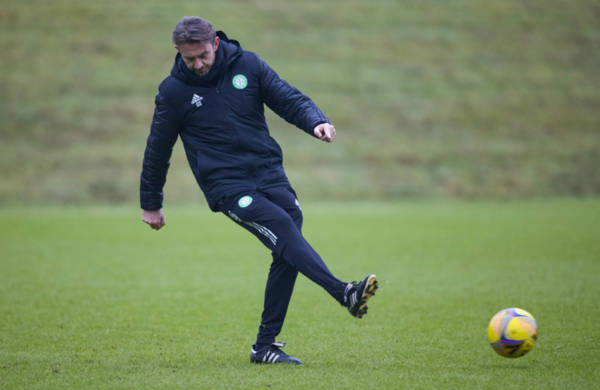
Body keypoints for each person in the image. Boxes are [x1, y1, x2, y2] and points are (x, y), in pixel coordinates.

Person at [140, 16, 378, 365]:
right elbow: (157, 149)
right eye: (189, 58)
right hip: (227, 185)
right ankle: (344, 292)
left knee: (288, 237)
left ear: (215, 44)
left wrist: (316, 120)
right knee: (282, 228)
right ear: (178, 52)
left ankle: (265, 347)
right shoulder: (173, 92)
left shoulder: (247, 65)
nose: (198, 64)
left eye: (202, 55)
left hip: (268, 172)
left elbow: (285, 97)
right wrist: (151, 203)